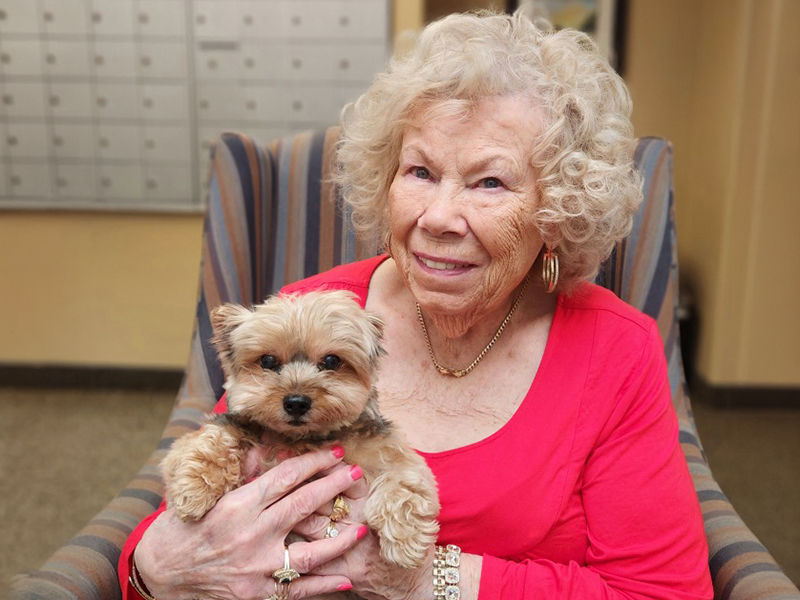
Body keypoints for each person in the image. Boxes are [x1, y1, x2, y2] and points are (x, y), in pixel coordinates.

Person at [120, 10, 713, 600]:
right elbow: (179, 529)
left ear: (557, 211)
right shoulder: (311, 318)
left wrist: (427, 578)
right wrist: (152, 571)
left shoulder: (615, 351)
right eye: (421, 172)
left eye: (489, 183)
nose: (437, 218)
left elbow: (665, 592)